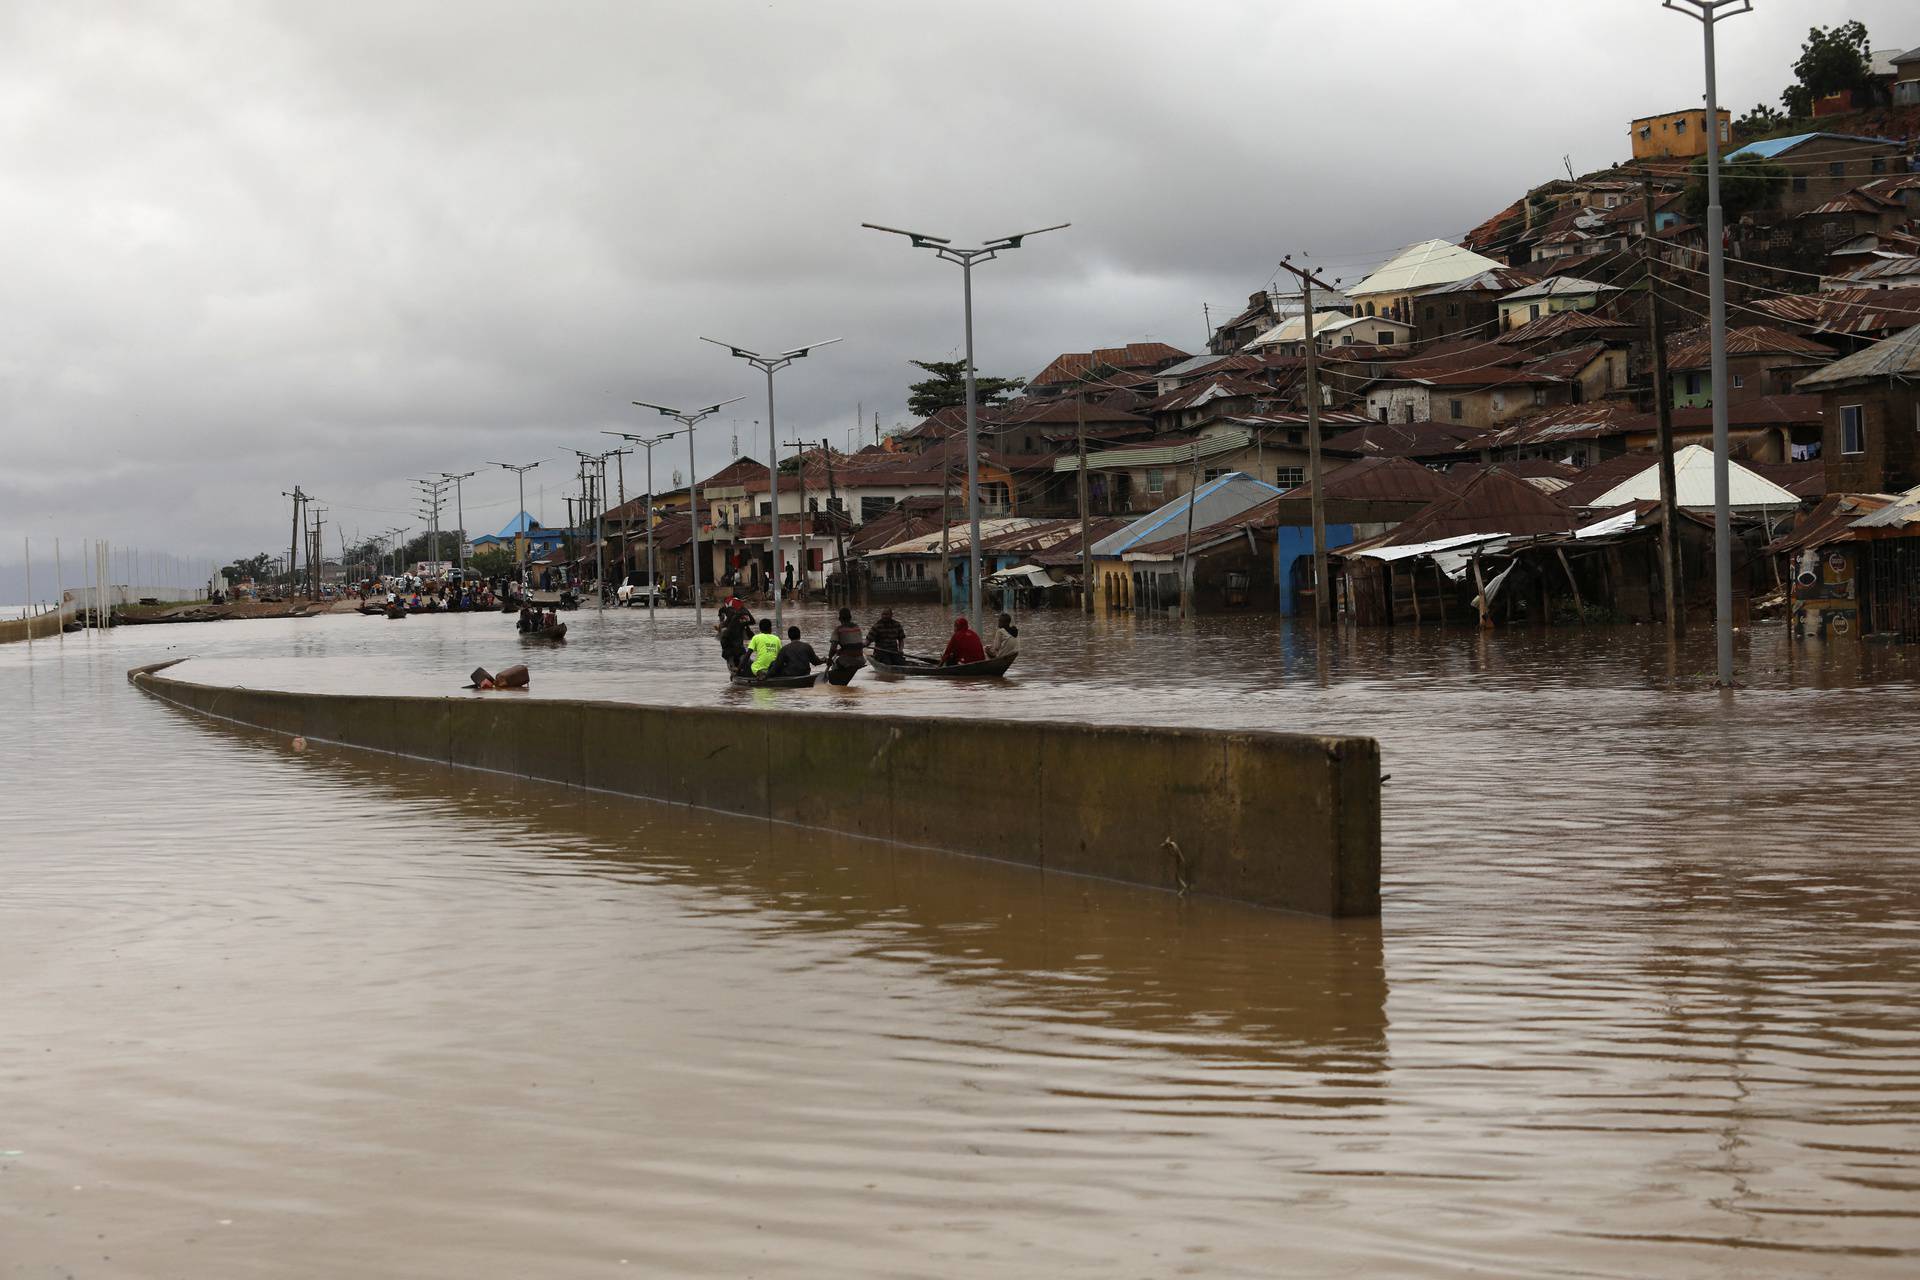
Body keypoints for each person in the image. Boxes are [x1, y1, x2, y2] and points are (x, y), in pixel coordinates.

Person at [826, 608, 866, 685]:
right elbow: (855, 644)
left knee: (834, 666)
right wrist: (841, 650)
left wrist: (829, 659)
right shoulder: (857, 627)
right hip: (861, 660)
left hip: (847, 660)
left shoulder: (838, 630)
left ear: (839, 619)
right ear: (850, 618)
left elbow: (833, 648)